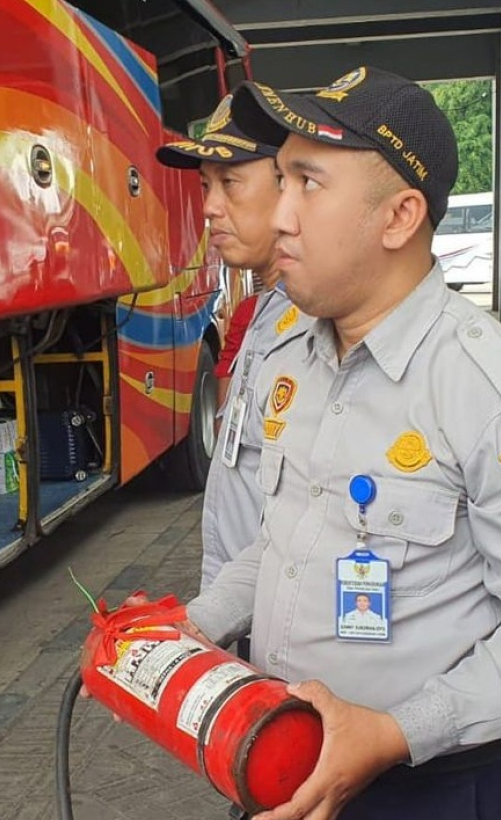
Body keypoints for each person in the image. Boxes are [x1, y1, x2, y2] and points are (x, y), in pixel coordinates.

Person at [185, 66, 501, 820]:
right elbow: (284, 540)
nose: (279, 215)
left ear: (399, 216)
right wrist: (182, 628)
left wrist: (391, 733)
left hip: (434, 801)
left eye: (308, 182)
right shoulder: (298, 363)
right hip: (288, 775)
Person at [156, 93, 303, 593]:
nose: (208, 209)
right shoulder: (263, 313)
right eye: (204, 186)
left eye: (230, 183)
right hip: (245, 607)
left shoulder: (318, 329)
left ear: (291, 186)